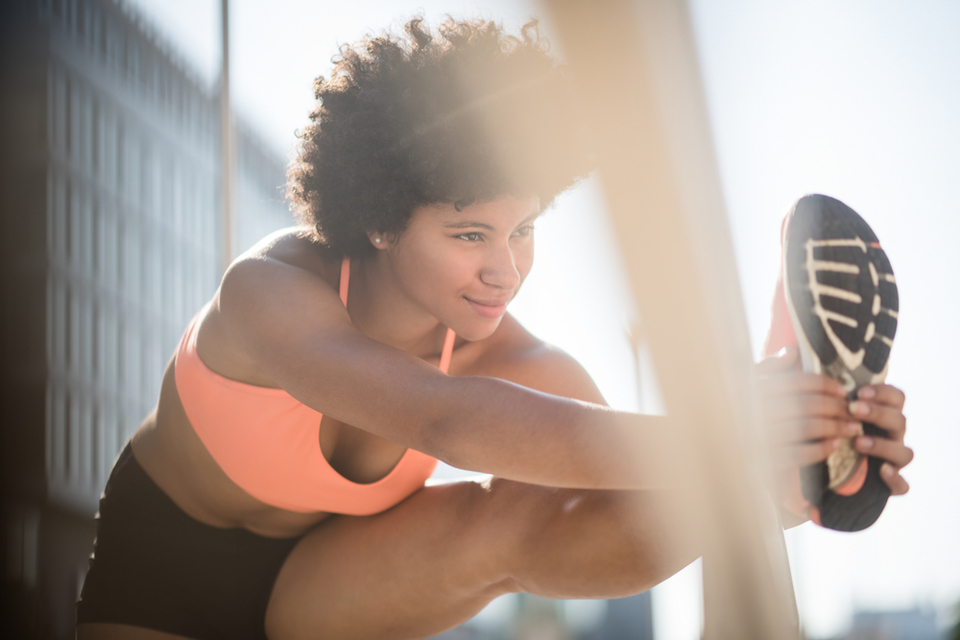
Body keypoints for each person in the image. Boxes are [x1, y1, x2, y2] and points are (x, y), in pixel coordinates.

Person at [75, 17, 913, 640]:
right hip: (161, 569)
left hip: (325, 586)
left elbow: (621, 490)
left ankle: (789, 480)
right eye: (470, 235)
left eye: (523, 231)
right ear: (378, 220)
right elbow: (447, 420)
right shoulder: (267, 294)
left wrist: (783, 439)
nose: (505, 271)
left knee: (522, 517)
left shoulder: (514, 353)